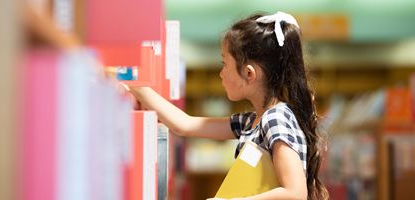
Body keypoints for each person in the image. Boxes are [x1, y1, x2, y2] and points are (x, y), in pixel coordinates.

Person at [127, 11, 328, 200]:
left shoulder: (276, 118)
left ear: (249, 74)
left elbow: (295, 193)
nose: (222, 73)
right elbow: (184, 124)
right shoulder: (250, 122)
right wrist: (135, 85)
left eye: (225, 63)